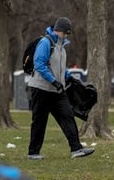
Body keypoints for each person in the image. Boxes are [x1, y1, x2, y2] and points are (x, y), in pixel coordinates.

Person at [27, 17, 95, 160]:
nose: (66, 36)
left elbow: (58, 68)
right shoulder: (45, 43)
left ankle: (76, 149)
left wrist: (68, 76)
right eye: (65, 33)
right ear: (58, 30)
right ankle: (33, 152)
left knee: (68, 116)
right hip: (41, 88)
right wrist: (54, 81)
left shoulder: (61, 47)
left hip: (56, 90)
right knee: (39, 121)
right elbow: (39, 64)